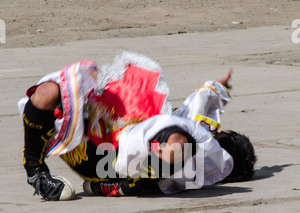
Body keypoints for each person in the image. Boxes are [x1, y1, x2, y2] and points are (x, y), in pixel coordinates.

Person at [18, 52, 256, 200]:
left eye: (219, 133)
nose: (213, 130)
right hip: (91, 139)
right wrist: (217, 87)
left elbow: (195, 122)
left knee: (180, 145)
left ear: (222, 143)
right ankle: (35, 170)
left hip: (110, 159)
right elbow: (198, 101)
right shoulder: (189, 132)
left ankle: (126, 184)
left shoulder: (204, 154)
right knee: (47, 93)